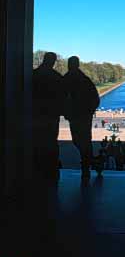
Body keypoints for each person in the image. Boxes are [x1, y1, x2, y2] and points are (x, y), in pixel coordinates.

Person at [63, 56, 100, 178]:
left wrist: (66, 111)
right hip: (83, 115)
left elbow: (60, 98)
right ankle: (90, 162)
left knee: (79, 140)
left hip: (77, 115)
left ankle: (87, 164)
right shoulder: (84, 79)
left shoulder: (66, 79)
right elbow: (95, 97)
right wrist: (90, 111)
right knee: (84, 140)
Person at [32, 52, 64, 181]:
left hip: (35, 113)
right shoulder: (56, 77)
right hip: (51, 114)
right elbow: (62, 96)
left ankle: (38, 165)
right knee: (51, 140)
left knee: (37, 139)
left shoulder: (33, 74)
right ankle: (51, 165)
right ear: (53, 61)